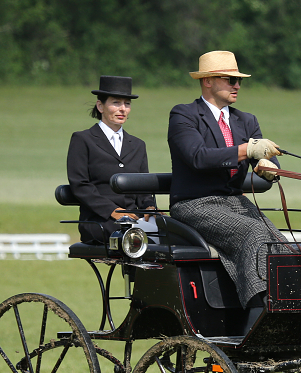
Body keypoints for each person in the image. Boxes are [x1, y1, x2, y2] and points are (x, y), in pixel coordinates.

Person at [167, 50, 288, 308]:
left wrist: (268, 166)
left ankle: (285, 304)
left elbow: (265, 159)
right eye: (230, 79)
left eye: (239, 80)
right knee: (254, 232)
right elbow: (197, 157)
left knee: (279, 242)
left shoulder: (246, 120)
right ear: (207, 81)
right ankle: (258, 310)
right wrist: (247, 150)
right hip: (195, 204)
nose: (237, 85)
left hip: (234, 202)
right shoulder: (184, 115)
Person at [67, 76, 156, 243]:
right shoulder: (83, 140)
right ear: (100, 106)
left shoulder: (138, 145)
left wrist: (150, 207)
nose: (122, 109)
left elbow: (143, 188)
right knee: (139, 237)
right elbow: (80, 185)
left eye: (127, 104)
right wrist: (112, 210)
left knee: (171, 233)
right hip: (99, 221)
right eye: (116, 103)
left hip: (133, 220)